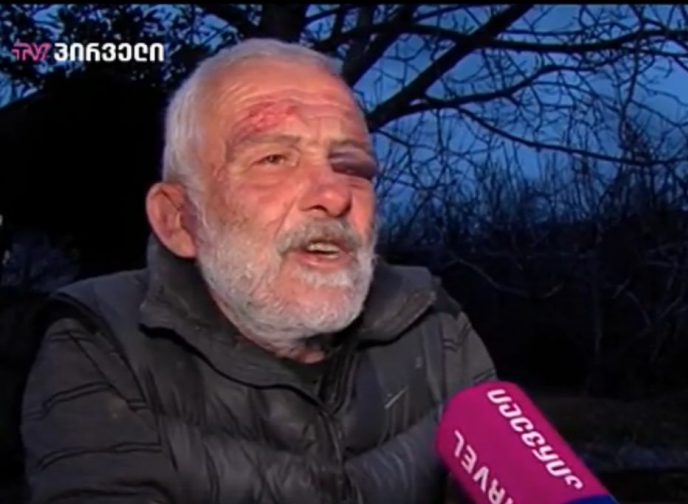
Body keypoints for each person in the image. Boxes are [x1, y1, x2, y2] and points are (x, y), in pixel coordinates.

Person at [19, 38, 496, 504]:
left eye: (352, 166)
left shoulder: (434, 326)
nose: (334, 195)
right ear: (178, 220)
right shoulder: (101, 342)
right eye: (274, 160)